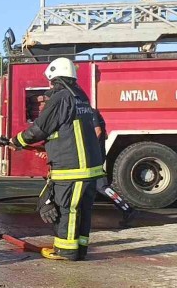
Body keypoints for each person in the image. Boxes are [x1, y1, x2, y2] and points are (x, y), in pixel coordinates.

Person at [10, 57, 105, 261]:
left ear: (55, 78)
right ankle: (79, 250)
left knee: (67, 209)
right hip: (89, 169)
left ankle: (66, 251)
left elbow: (40, 128)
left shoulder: (61, 97)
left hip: (73, 169)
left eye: (51, 81)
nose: (50, 85)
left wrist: (17, 141)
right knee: (82, 211)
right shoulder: (80, 96)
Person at [34, 94, 137, 226]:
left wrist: (82, 148)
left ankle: (127, 209)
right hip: (91, 155)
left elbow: (98, 132)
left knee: (101, 186)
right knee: (93, 187)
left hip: (92, 157)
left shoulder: (89, 112)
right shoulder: (85, 111)